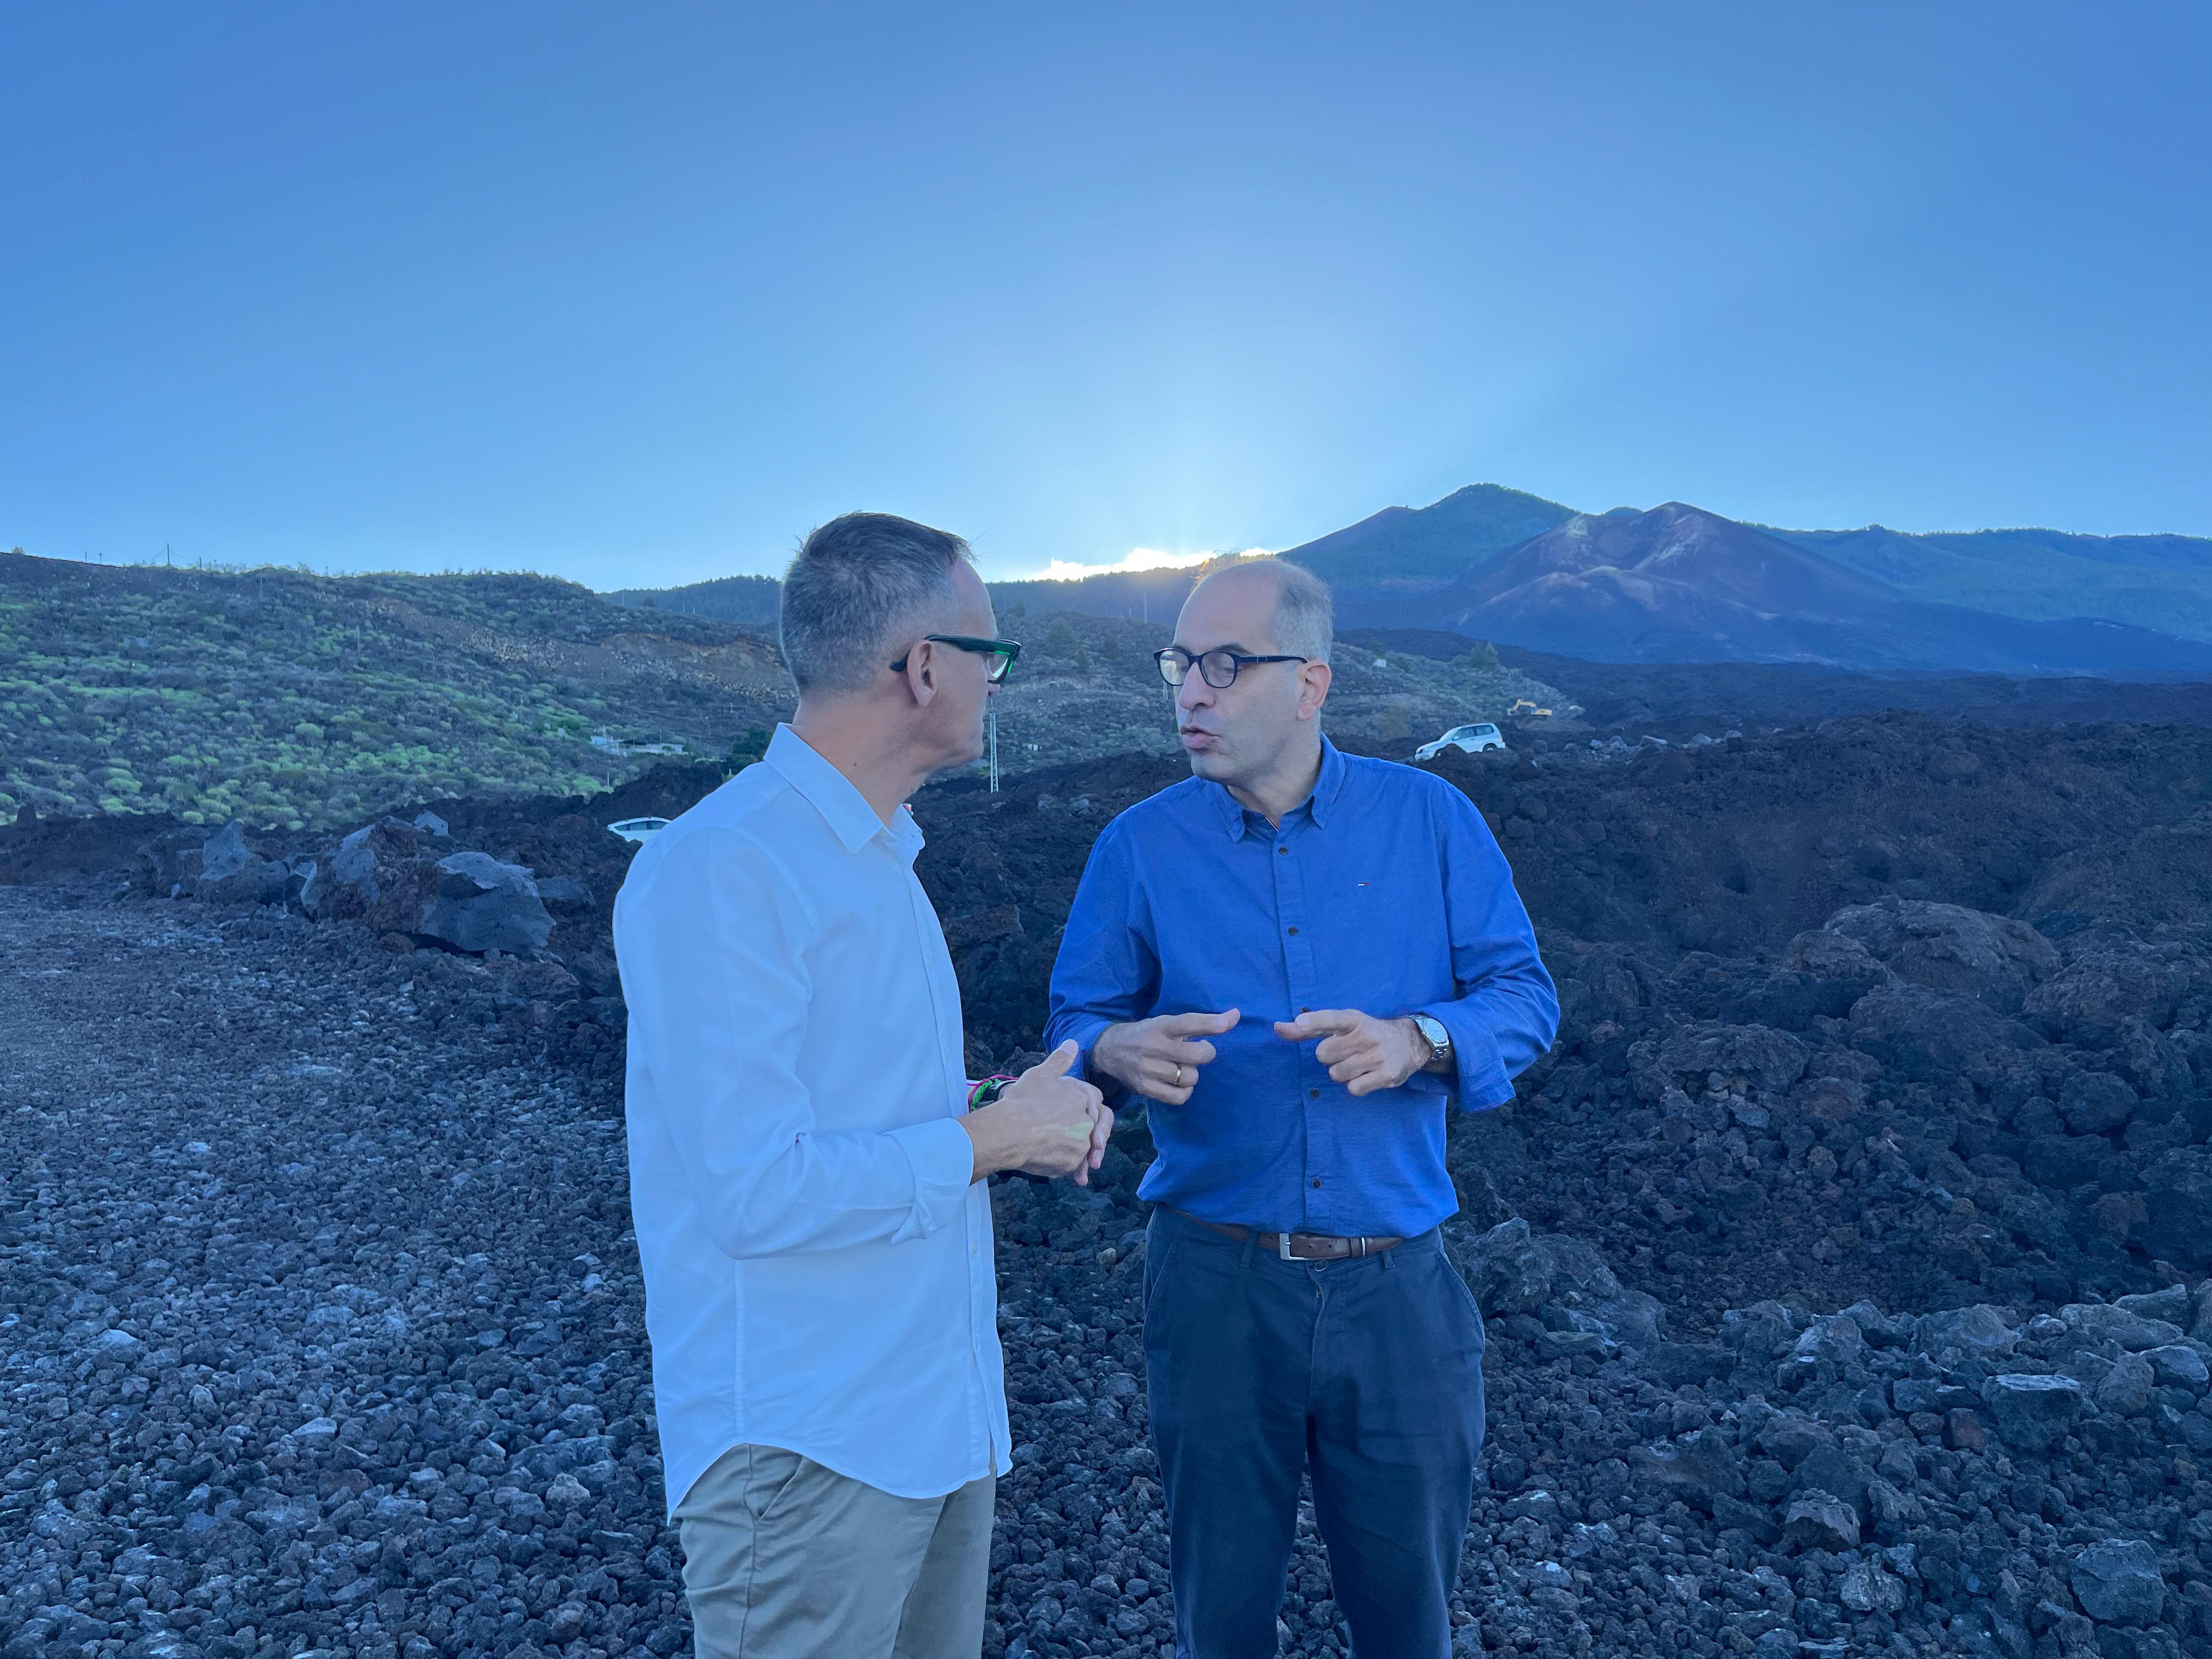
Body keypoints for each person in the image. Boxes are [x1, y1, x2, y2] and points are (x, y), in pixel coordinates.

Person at [615, 512, 1113, 1659]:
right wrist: (990, 1144)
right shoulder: (722, 867)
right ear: (926, 667)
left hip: (929, 1425)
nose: (999, 682)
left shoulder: (877, 858)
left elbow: (856, 1114)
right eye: (992, 653)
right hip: (804, 1453)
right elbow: (755, 1191)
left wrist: (1009, 1112)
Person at [1044, 557, 1558, 1659]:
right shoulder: (1138, 848)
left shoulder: (1432, 821)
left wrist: (1420, 1039)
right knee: (1220, 1616)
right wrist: (1111, 1048)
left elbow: (1524, 997)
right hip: (1215, 1287)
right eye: (1180, 664)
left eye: (1226, 666)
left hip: (1399, 1294)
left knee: (1408, 1615)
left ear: (1311, 683)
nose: (1191, 692)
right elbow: (1073, 1026)